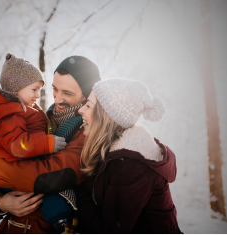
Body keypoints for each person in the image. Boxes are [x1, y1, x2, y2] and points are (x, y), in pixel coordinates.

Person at [0, 55, 102, 233]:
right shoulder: (40, 120)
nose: (57, 99)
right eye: (54, 89)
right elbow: (10, 157)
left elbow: (54, 174)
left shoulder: (88, 131)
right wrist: (1, 202)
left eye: (67, 93)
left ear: (87, 94)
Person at [0, 53, 74, 231]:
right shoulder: (9, 112)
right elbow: (17, 145)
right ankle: (62, 224)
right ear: (17, 88)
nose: (38, 95)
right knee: (50, 196)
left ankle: (62, 222)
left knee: (48, 194)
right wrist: (48, 143)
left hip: (17, 175)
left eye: (40, 90)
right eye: (34, 89)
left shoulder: (20, 110)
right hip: (14, 181)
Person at [76, 78, 182, 233]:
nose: (81, 110)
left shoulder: (130, 165)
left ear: (104, 116)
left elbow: (109, 230)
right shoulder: (116, 153)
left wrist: (74, 193)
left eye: (88, 105)